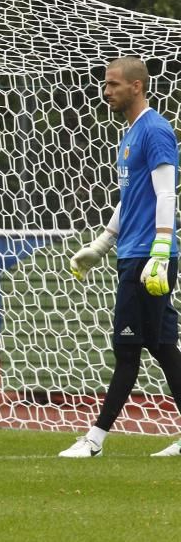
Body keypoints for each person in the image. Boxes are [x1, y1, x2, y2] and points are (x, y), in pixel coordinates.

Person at [61, 56, 181, 458]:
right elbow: (130, 201)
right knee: (164, 347)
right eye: (105, 84)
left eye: (113, 84)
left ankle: (95, 439)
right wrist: (101, 244)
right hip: (132, 252)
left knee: (127, 349)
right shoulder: (128, 136)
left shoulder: (156, 130)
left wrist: (161, 250)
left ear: (136, 86)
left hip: (149, 256)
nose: (106, 90)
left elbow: (167, 193)